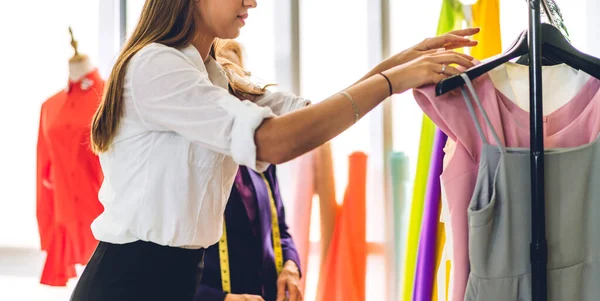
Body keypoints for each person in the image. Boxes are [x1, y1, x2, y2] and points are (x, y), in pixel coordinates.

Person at [69, 0, 479, 300]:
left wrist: (396, 66)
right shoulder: (156, 66)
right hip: (126, 284)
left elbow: (309, 117)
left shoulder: (212, 74)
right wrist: (391, 82)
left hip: (174, 282)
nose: (252, 1)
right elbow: (273, 141)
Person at [194, 39, 302, 301]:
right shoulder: (197, 164)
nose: (237, 93)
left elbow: (281, 229)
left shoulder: (262, 159)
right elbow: (168, 271)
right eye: (227, 80)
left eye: (241, 79)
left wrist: (291, 266)